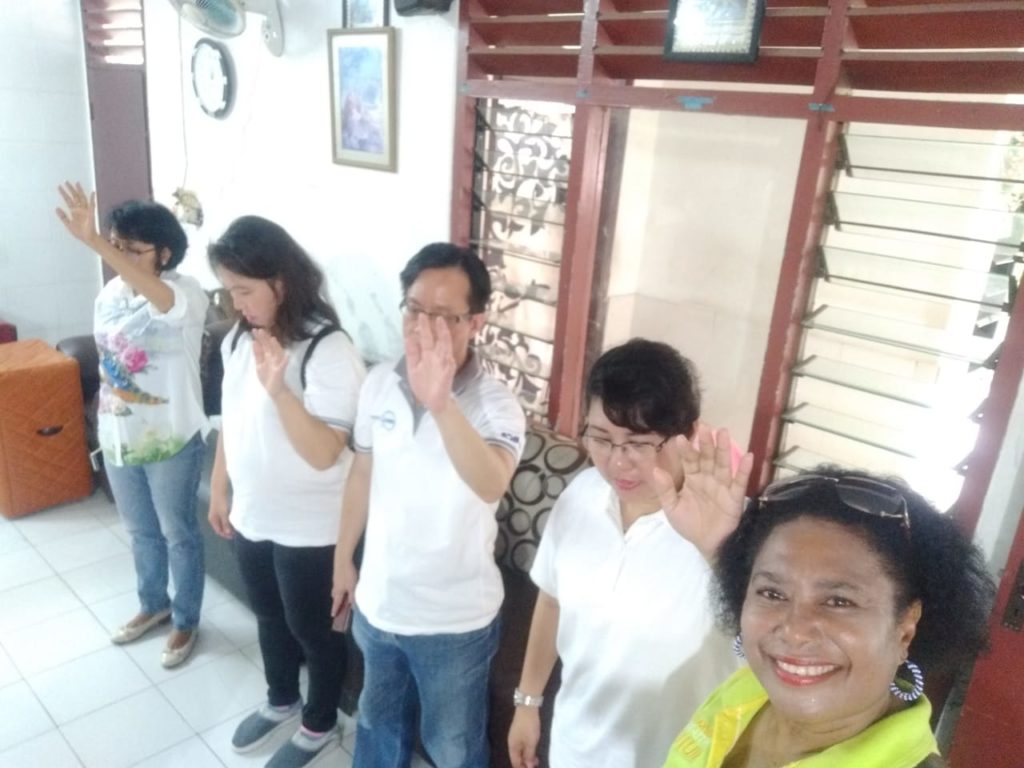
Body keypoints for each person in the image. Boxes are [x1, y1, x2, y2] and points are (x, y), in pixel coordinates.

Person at [508, 339, 751, 768]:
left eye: (639, 443)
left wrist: (719, 552)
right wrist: (528, 702)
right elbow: (551, 600)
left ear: (689, 434)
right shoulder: (582, 494)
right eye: (601, 438)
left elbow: (767, 651)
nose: (618, 462)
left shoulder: (734, 530)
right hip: (573, 748)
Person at [332, 242, 527, 768]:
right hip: (380, 604)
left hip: (454, 621)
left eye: (442, 315)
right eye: (414, 309)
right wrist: (343, 558)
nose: (423, 326)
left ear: (475, 322)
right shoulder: (379, 382)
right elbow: (362, 472)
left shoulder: (495, 405)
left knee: (453, 748)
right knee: (377, 729)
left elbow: (490, 482)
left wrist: (440, 403)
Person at [663, 467, 996, 768]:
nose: (794, 632)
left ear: (906, 628)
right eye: (772, 593)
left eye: (839, 601)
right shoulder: (749, 690)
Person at [207, 216, 366, 768]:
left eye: (244, 290)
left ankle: (319, 723)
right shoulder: (238, 338)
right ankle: (281, 700)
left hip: (312, 526)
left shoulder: (328, 348)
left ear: (280, 281)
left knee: (314, 632)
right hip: (254, 513)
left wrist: (279, 392)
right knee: (269, 617)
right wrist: (220, 488)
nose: (236, 303)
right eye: (229, 291)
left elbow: (324, 453)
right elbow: (231, 420)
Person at [55, 182, 208, 669]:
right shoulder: (109, 295)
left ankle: (186, 618)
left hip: (171, 438)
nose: (118, 256)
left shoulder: (186, 293)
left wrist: (95, 243)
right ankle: (153, 603)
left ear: (163, 253)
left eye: (130, 248)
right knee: (141, 531)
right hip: (119, 435)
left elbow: (164, 303)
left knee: (178, 533)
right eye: (115, 245)